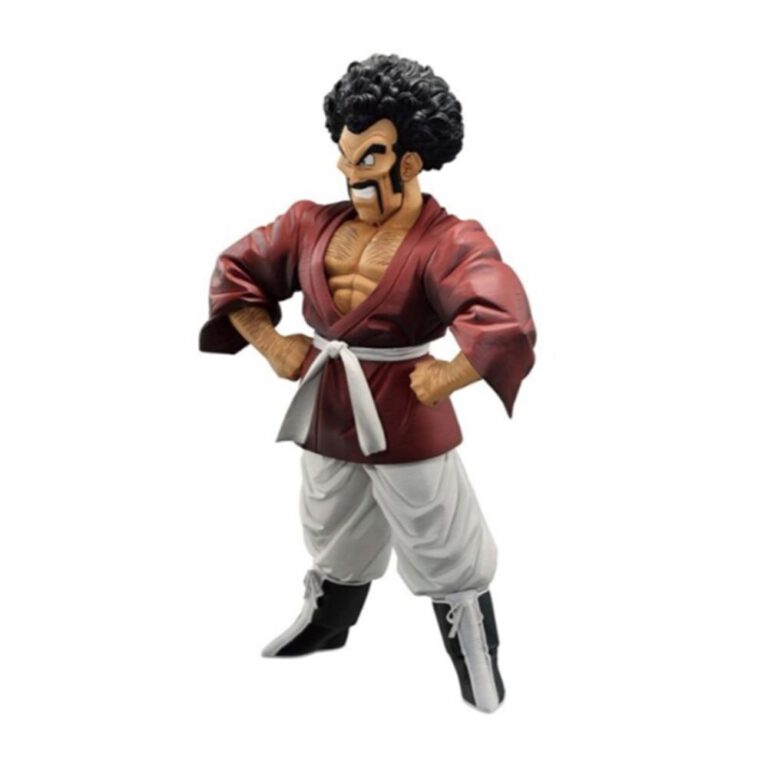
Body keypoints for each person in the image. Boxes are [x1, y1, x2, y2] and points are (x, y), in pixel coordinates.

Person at [199, 54, 536, 713]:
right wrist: (271, 344)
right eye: (346, 152)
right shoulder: (310, 223)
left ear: (410, 161)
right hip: (327, 398)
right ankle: (328, 621)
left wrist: (449, 375)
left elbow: (504, 320)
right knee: (330, 516)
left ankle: (474, 648)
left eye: (371, 156)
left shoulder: (448, 241)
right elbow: (236, 271)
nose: (350, 170)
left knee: (438, 529)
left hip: (405, 407)